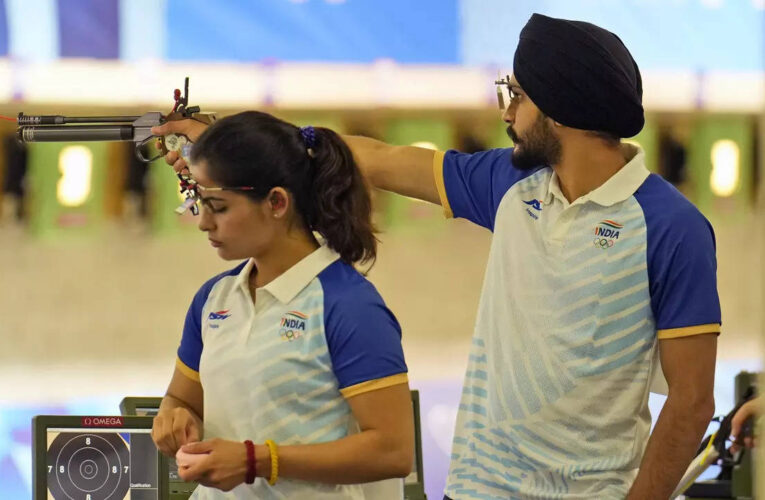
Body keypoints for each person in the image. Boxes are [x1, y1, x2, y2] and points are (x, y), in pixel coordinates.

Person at [153, 13, 721, 500]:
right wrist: (228, 140)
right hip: (475, 486)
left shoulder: (672, 228)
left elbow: (692, 402)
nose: (507, 113)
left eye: (517, 97)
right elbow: (379, 158)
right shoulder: (511, 184)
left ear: (560, 110)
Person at [150, 110, 414, 499]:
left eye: (218, 206)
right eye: (197, 203)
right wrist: (174, 418)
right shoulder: (213, 298)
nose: (204, 222)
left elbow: (392, 451)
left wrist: (257, 461)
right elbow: (184, 399)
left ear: (276, 202)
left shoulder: (348, 304)